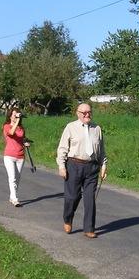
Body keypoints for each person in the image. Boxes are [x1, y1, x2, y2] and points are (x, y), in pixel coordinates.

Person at [56, 102, 107, 238]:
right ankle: (68, 219)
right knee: (73, 196)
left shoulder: (97, 129)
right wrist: (61, 166)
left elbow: (101, 150)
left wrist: (103, 166)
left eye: (89, 112)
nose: (87, 114)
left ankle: (89, 228)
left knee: (90, 198)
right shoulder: (70, 127)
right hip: (74, 165)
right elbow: (62, 148)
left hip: (92, 167)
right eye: (84, 112)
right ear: (78, 113)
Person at [2, 107, 30, 207]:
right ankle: (15, 199)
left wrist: (25, 143)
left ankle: (12, 196)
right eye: (14, 115)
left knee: (17, 178)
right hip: (9, 156)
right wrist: (17, 121)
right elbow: (11, 133)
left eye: (17, 115)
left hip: (20, 156)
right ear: (10, 116)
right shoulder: (6, 126)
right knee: (12, 177)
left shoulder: (21, 128)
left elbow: (21, 139)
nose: (16, 117)